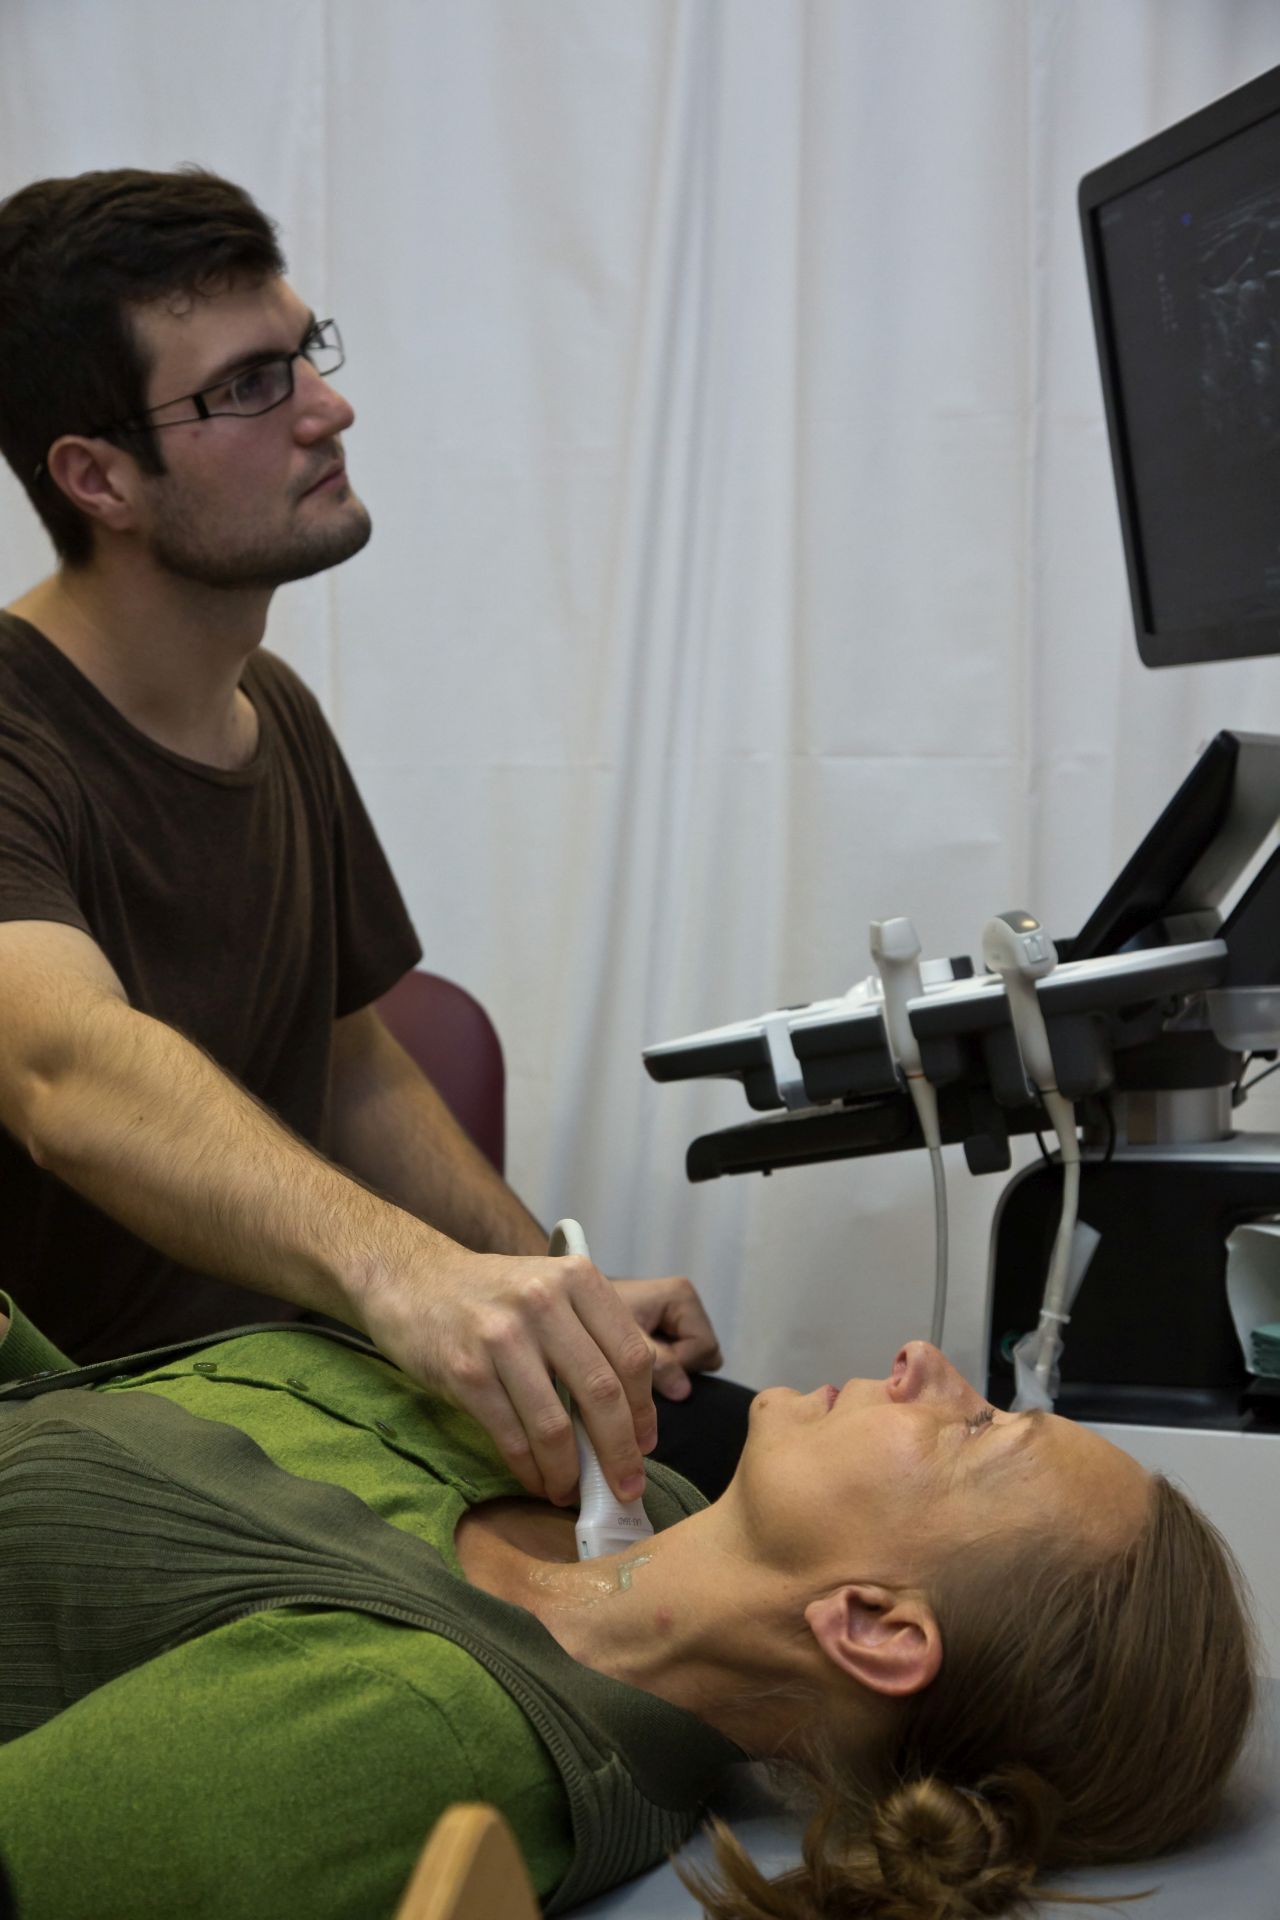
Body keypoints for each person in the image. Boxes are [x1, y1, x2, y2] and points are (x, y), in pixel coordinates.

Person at [0, 165, 741, 1507]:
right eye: (246, 386)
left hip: (306, 1396)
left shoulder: (271, 710)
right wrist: (407, 1275)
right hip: (92, 1455)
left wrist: (545, 1292)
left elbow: (352, 1066)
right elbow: (62, 1070)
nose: (325, 409)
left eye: (304, 353)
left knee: (756, 1472)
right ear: (97, 477)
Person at [0, 1298, 1257, 1920]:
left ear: (873, 1625)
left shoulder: (406, 1733)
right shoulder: (634, 1481)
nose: (924, 1366)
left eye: (974, 1431)